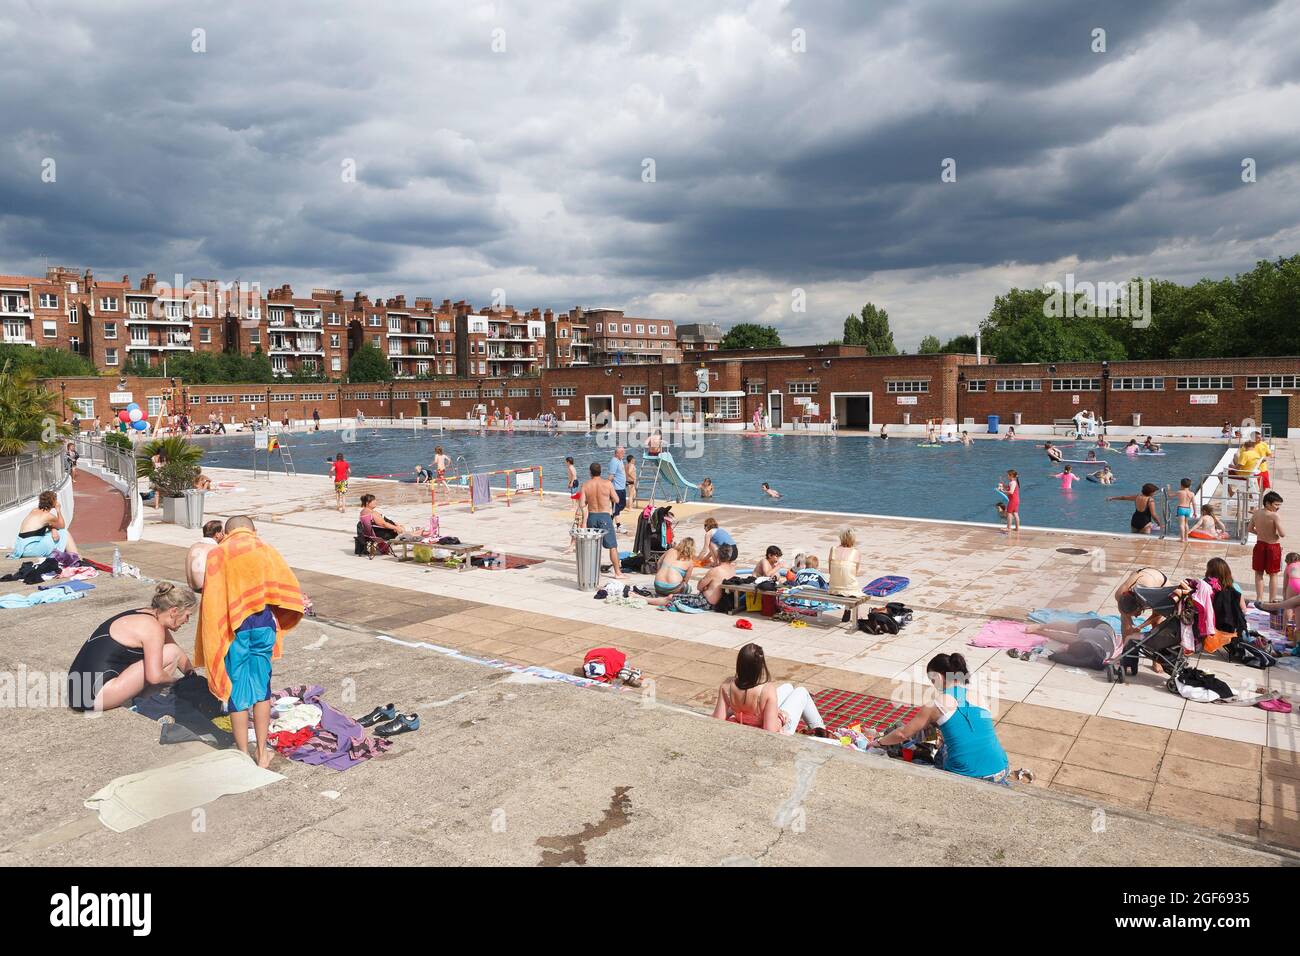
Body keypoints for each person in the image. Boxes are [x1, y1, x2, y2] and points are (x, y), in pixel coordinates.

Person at [194, 516, 305, 768]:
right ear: (253, 530)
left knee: (237, 690)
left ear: (226, 532)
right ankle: (262, 753)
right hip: (263, 623)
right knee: (262, 689)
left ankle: (243, 752)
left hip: (235, 627)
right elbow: (286, 586)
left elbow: (212, 600)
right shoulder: (266, 550)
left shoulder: (218, 554)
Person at [867, 653, 1010, 782]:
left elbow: (901, 734)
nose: (933, 685)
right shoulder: (979, 696)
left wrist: (878, 743)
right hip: (1000, 768)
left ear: (939, 677)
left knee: (928, 754)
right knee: (943, 737)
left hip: (968, 774)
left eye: (932, 680)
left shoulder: (935, 705)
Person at [67, 582, 197, 713]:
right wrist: (178, 682)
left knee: (170, 651)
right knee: (170, 655)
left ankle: (144, 700)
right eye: (187, 615)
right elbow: (155, 676)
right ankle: (144, 704)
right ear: (174, 611)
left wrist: (192, 676)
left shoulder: (146, 615)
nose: (187, 621)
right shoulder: (152, 628)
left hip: (76, 693)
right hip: (93, 699)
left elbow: (176, 650)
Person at [711, 643, 830, 737]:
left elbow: (718, 719)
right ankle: (821, 731)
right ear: (760, 667)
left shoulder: (727, 686)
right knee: (802, 692)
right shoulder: (767, 689)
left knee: (788, 687)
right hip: (772, 727)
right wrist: (782, 717)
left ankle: (820, 729)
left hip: (747, 717)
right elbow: (770, 731)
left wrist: (738, 707)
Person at [648, 543, 737, 611]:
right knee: (680, 596)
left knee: (671, 597)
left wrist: (705, 587)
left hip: (706, 602)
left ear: (718, 556)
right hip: (720, 602)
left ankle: (646, 599)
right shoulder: (732, 569)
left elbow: (699, 587)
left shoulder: (715, 570)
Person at [1025, 616, 1122, 670]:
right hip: (1098, 625)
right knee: (1069, 627)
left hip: (1103, 638)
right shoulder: (1087, 634)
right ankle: (1041, 626)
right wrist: (1040, 630)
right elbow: (1067, 636)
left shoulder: (1099, 655)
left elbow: (1067, 648)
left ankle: (1040, 631)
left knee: (1067, 639)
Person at [581, 462, 622, 580]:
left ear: (590, 472)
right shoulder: (607, 484)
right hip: (604, 516)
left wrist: (590, 500)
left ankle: (591, 571)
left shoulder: (585, 485)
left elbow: (581, 504)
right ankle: (618, 573)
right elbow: (617, 499)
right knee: (612, 546)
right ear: (601, 472)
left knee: (593, 546)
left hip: (592, 516)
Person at [11, 491, 74, 558]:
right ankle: (75, 558)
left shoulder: (34, 510)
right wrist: (58, 510)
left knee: (53, 533)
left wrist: (53, 529)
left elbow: (46, 524)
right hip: (31, 549)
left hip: (20, 548)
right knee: (63, 532)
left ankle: (71, 556)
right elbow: (62, 526)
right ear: (53, 502)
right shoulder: (48, 516)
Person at [1249, 490, 1286, 603]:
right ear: (1267, 503)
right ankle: (1272, 599)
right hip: (1273, 547)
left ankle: (1259, 598)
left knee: (1258, 573)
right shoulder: (1274, 516)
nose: (1278, 507)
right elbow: (1282, 534)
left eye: (1279, 505)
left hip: (1260, 545)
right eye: (1276, 505)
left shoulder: (1256, 513)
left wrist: (1259, 533)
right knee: (1273, 574)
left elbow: (1250, 529)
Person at [1114, 566, 1170, 639]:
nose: (1136, 617)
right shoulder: (1119, 594)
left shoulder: (1150, 597)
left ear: (1140, 607)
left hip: (1160, 582)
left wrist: (1140, 627)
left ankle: (1155, 644)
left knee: (1156, 623)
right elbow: (1122, 610)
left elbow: (1157, 615)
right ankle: (1125, 647)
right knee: (1125, 620)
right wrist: (1131, 624)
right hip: (1142, 574)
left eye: (1135, 614)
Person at [828, 528, 861, 623]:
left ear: (841, 538)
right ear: (853, 539)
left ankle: (847, 609)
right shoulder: (856, 552)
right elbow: (855, 573)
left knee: (843, 580)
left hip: (833, 588)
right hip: (849, 589)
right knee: (852, 584)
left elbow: (830, 570)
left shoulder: (833, 549)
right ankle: (847, 609)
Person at [186, 520, 226, 593]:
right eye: (223, 532)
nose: (225, 535)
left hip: (192, 588)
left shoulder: (193, 546)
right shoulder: (215, 548)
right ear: (217, 534)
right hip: (205, 590)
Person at [608, 445, 627, 533]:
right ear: (617, 453)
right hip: (616, 489)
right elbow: (611, 476)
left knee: (622, 505)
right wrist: (605, 486)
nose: (624, 454)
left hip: (622, 488)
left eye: (624, 452)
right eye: (622, 452)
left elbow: (621, 474)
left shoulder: (620, 460)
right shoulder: (614, 462)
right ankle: (618, 526)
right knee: (616, 507)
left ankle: (609, 522)